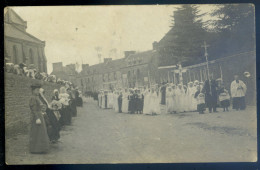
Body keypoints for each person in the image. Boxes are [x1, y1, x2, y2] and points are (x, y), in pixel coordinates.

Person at [29, 83, 49, 153]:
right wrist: (37, 118)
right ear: (33, 90)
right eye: (37, 90)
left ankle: (41, 148)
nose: (38, 91)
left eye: (38, 90)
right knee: (37, 133)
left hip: (40, 115)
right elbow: (33, 109)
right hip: (36, 117)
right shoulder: (32, 98)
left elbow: (39, 107)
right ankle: (36, 149)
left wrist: (43, 108)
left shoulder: (36, 97)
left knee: (40, 132)